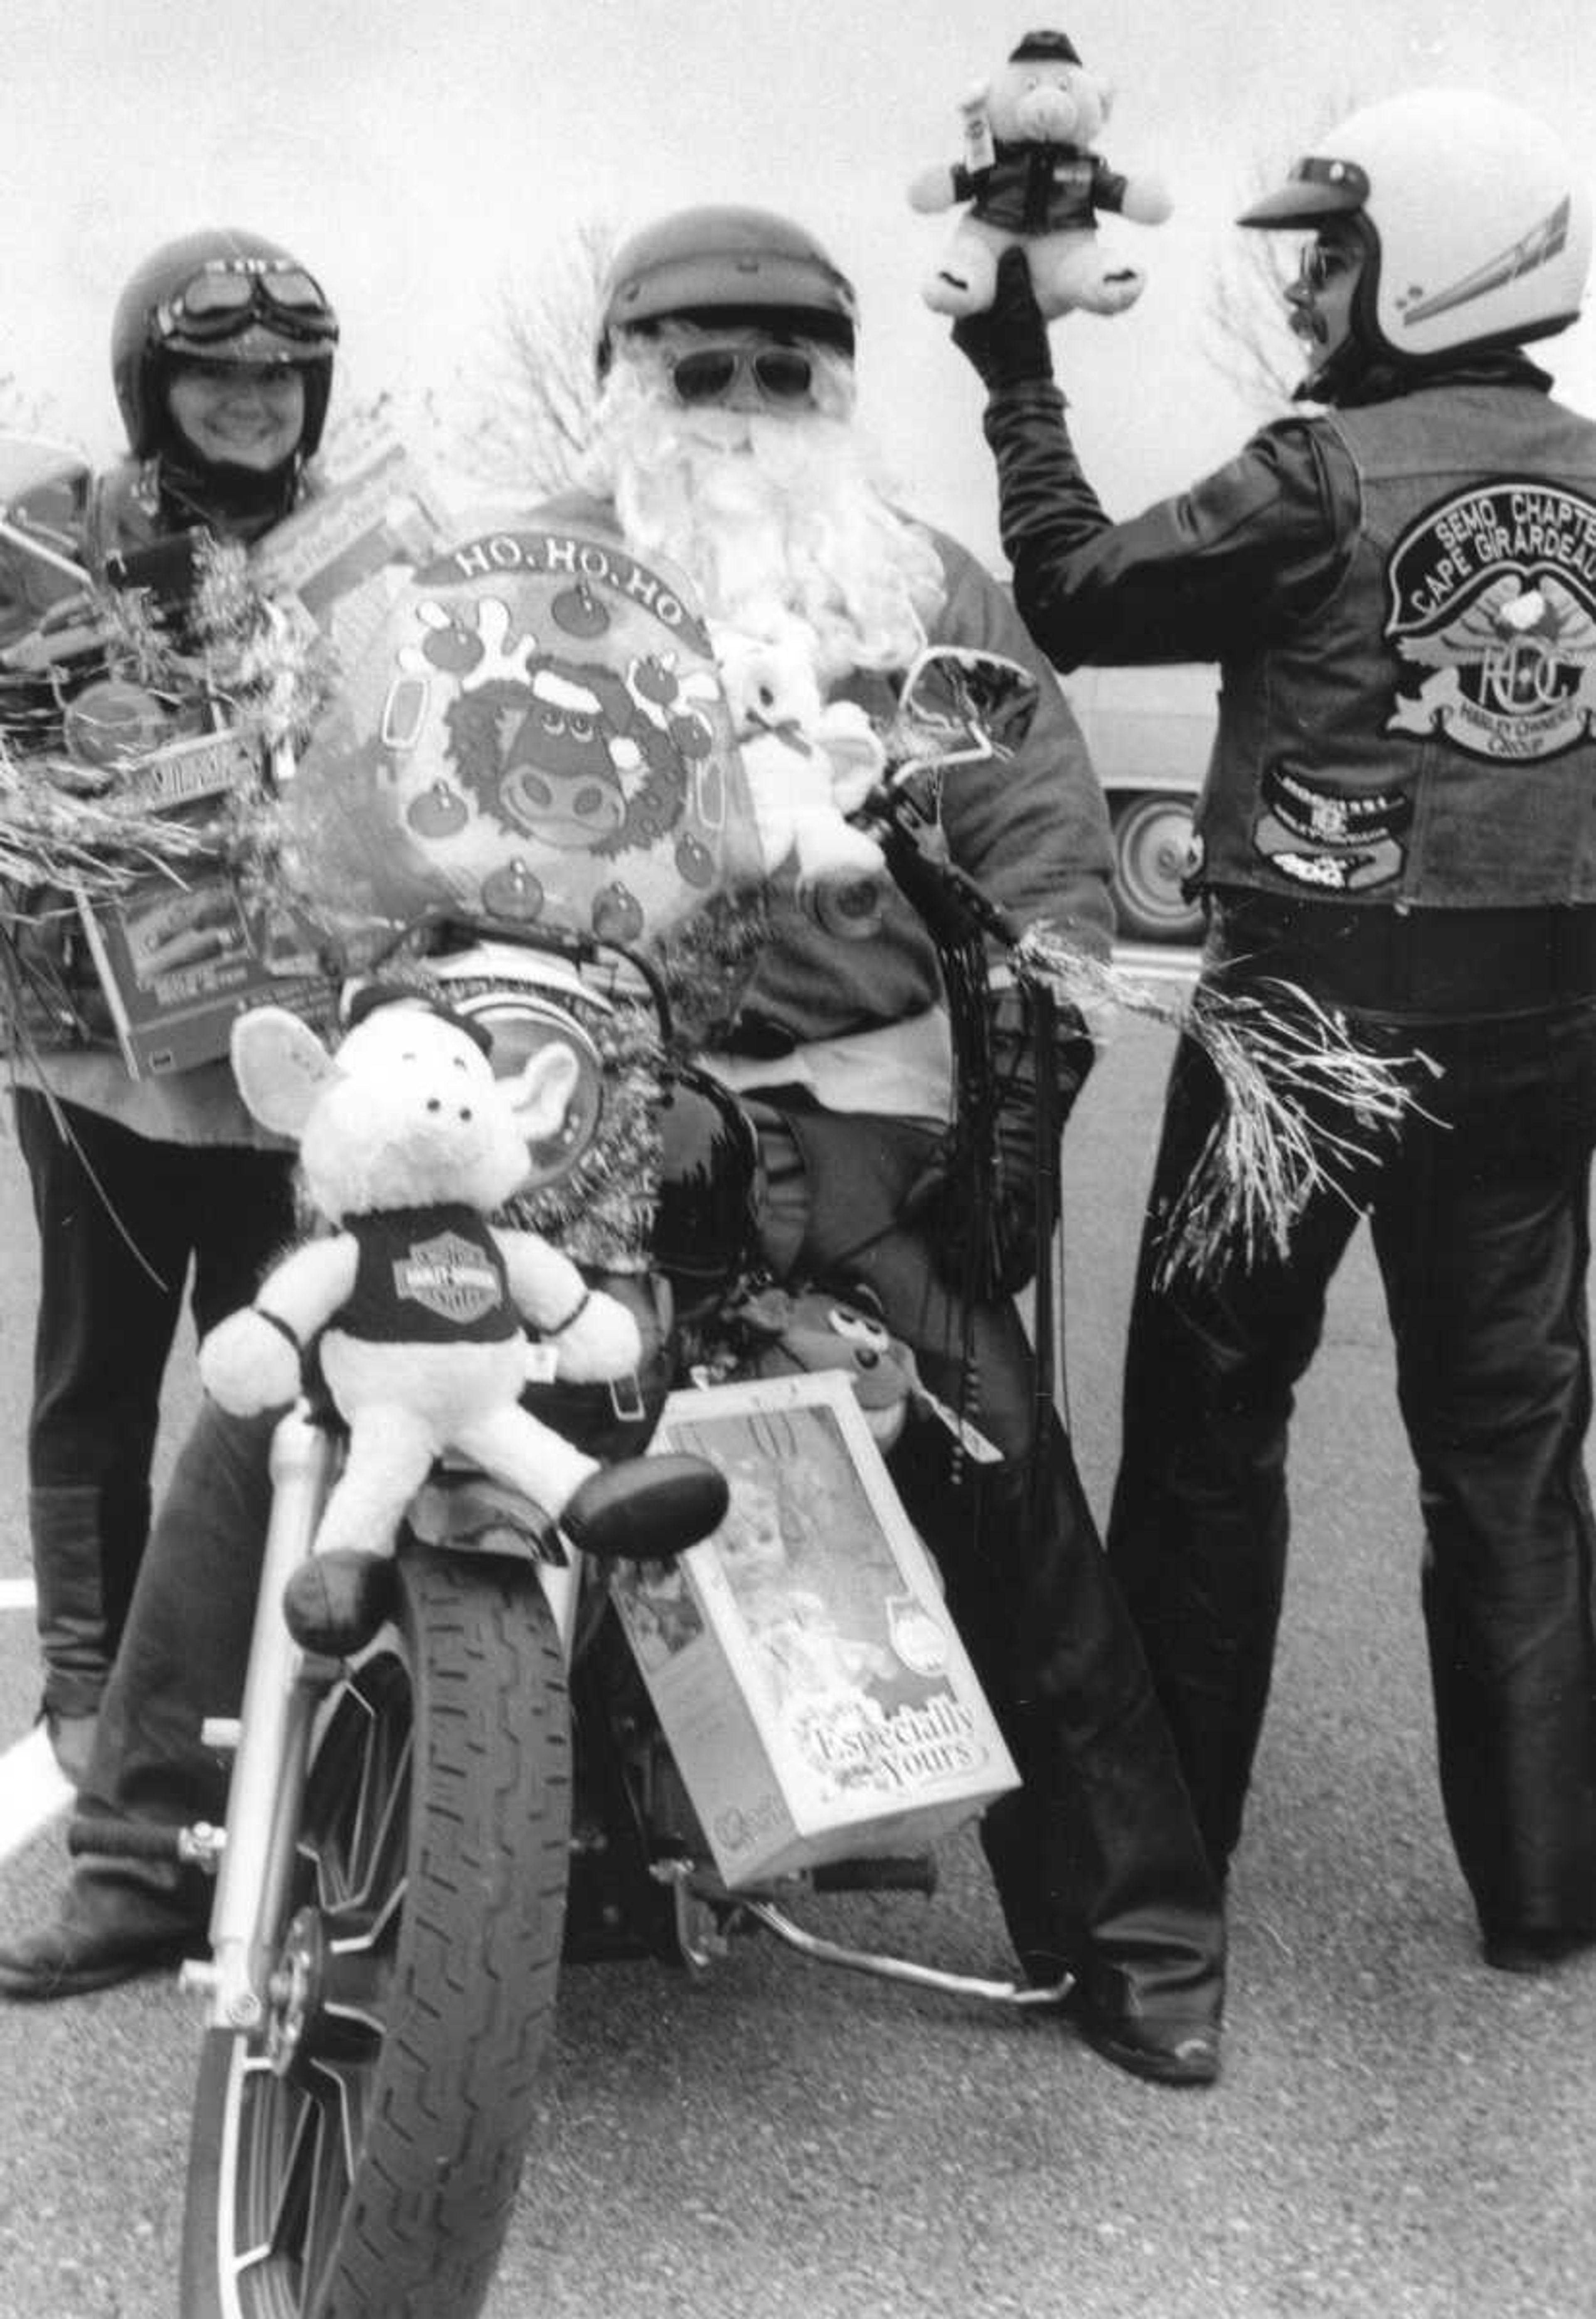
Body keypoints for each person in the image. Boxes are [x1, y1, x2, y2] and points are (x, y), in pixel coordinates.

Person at [0, 205, 1227, 2086]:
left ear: (835, 387)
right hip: (558, 1080)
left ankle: (1123, 1914)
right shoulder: (522, 572)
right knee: (293, 1381)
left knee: (981, 1422)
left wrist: (1020, 1095)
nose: (736, 409)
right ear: (623, 387)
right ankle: (154, 1842)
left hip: (847, 1107)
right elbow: (379, 785)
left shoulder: (930, 591)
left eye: (778, 370)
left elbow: (1051, 860)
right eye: (693, 370)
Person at [951, 88, 1596, 1974]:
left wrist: (1017, 374)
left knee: (1213, 1428)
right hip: (1542, 1021)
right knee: (1510, 1449)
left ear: (1432, 257)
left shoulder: (1318, 477)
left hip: (1304, 1034)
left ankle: (1171, 1863)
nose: (1315, 288)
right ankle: (1548, 1890)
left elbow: (1069, 593)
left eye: (1339, 252)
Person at [1, 230, 342, 1787]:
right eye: (219, 370)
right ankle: (88, 1685)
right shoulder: (55, 539)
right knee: (99, 1365)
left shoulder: (367, 551)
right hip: (102, 1047)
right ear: (157, 379)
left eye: (281, 375)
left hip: (298, 1046)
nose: (255, 399)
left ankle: (255, 1681)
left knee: (279, 1369)